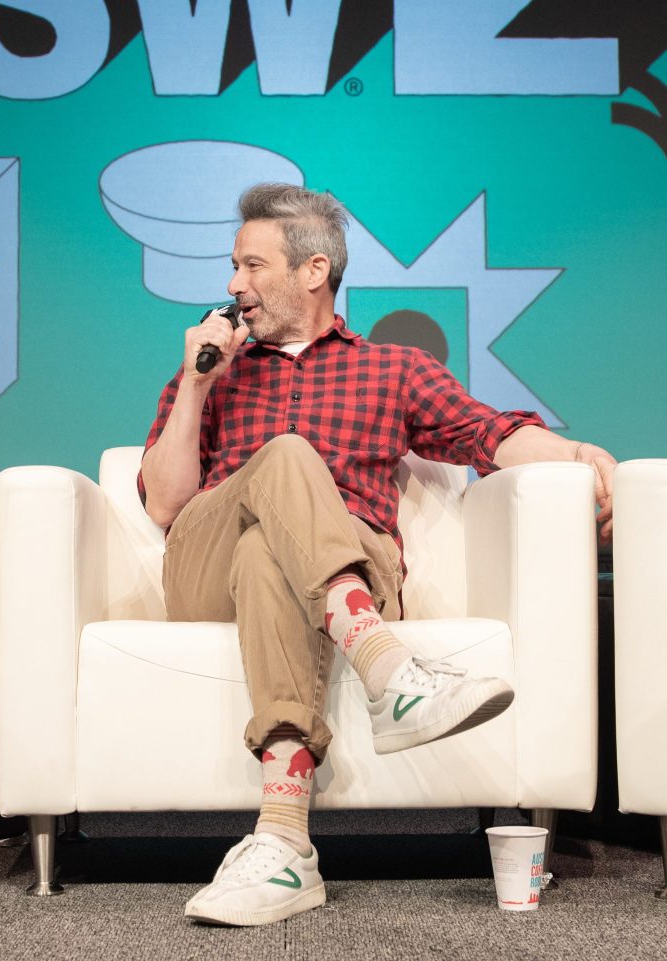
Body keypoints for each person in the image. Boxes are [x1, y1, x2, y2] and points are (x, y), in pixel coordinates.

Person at [138, 182, 617, 927]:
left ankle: (284, 843)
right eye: (233, 267)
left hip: (340, 566)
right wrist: (199, 386)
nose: (233, 285)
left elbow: (487, 435)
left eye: (252, 265)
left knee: (274, 553)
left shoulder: (393, 368)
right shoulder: (210, 371)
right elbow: (166, 505)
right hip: (207, 570)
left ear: (313, 271)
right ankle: (390, 671)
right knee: (285, 462)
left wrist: (578, 451)